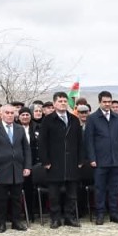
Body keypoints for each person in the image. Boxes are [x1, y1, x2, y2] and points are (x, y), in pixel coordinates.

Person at [38, 91, 84, 228]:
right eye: (60, 101)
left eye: (65, 101)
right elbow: (42, 142)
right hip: (54, 163)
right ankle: (55, 218)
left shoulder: (74, 119)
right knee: (54, 194)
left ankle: (70, 217)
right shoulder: (48, 120)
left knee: (72, 194)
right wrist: (45, 161)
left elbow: (80, 142)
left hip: (71, 162)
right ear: (54, 104)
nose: (63, 103)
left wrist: (80, 160)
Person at [0, 104, 31, 232]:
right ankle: (1, 223)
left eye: (12, 113)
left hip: (17, 168)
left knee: (17, 198)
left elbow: (26, 149)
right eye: (7, 113)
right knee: (2, 198)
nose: (10, 115)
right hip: (1, 169)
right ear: (2, 114)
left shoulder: (20, 129)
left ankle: (16, 221)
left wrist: (27, 166)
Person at [85, 91, 118, 224]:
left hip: (116, 160)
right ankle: (100, 214)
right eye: (105, 102)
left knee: (115, 188)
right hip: (100, 161)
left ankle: (114, 213)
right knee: (100, 188)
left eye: (109, 101)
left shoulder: (117, 118)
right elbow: (89, 140)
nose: (107, 104)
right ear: (100, 102)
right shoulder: (92, 118)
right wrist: (92, 158)